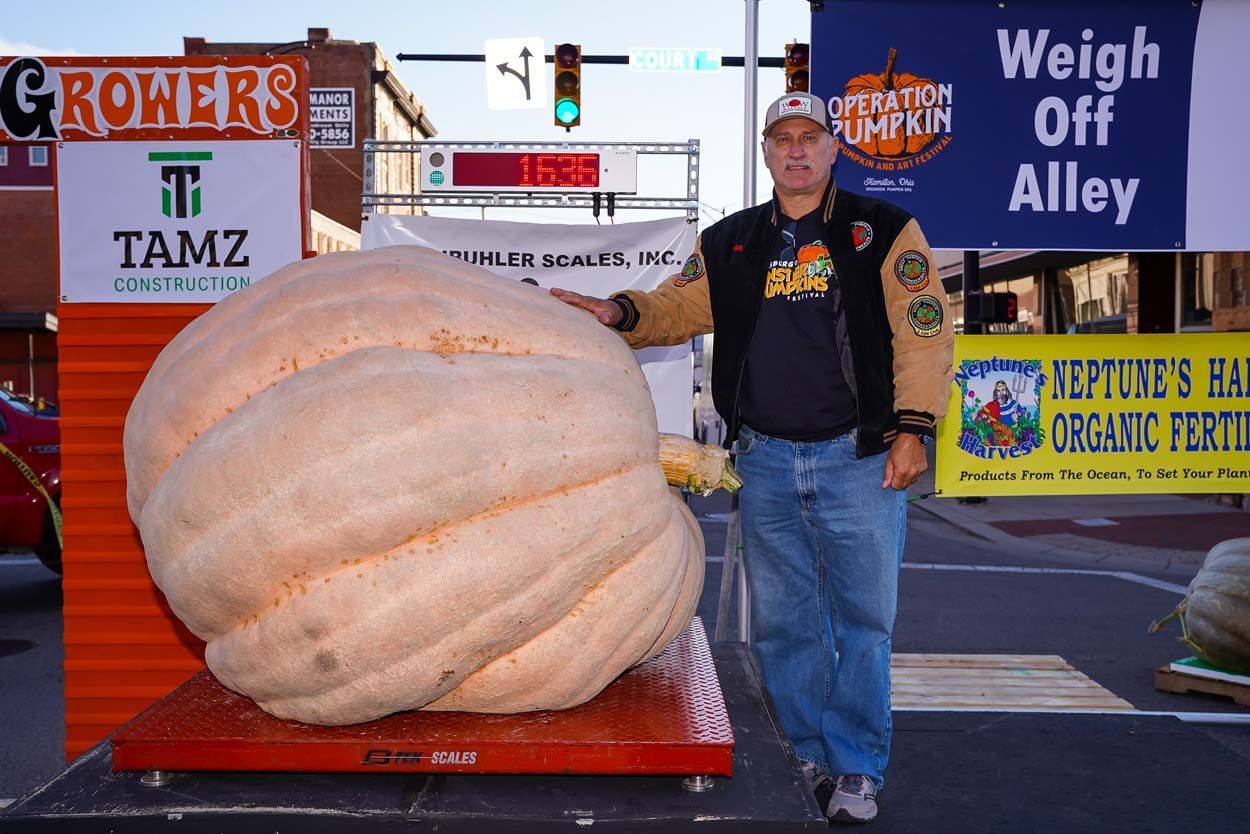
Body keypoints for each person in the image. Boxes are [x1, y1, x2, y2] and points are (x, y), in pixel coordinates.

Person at [551, 91, 954, 824]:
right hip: (764, 461)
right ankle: (803, 749)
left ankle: (857, 767)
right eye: (782, 140)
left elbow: (924, 333)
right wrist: (619, 312)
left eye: (810, 138)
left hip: (858, 460)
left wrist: (913, 428)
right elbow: (678, 307)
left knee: (864, 622)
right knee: (785, 624)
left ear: (834, 150)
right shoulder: (733, 241)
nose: (796, 151)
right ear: (766, 153)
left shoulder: (885, 231)